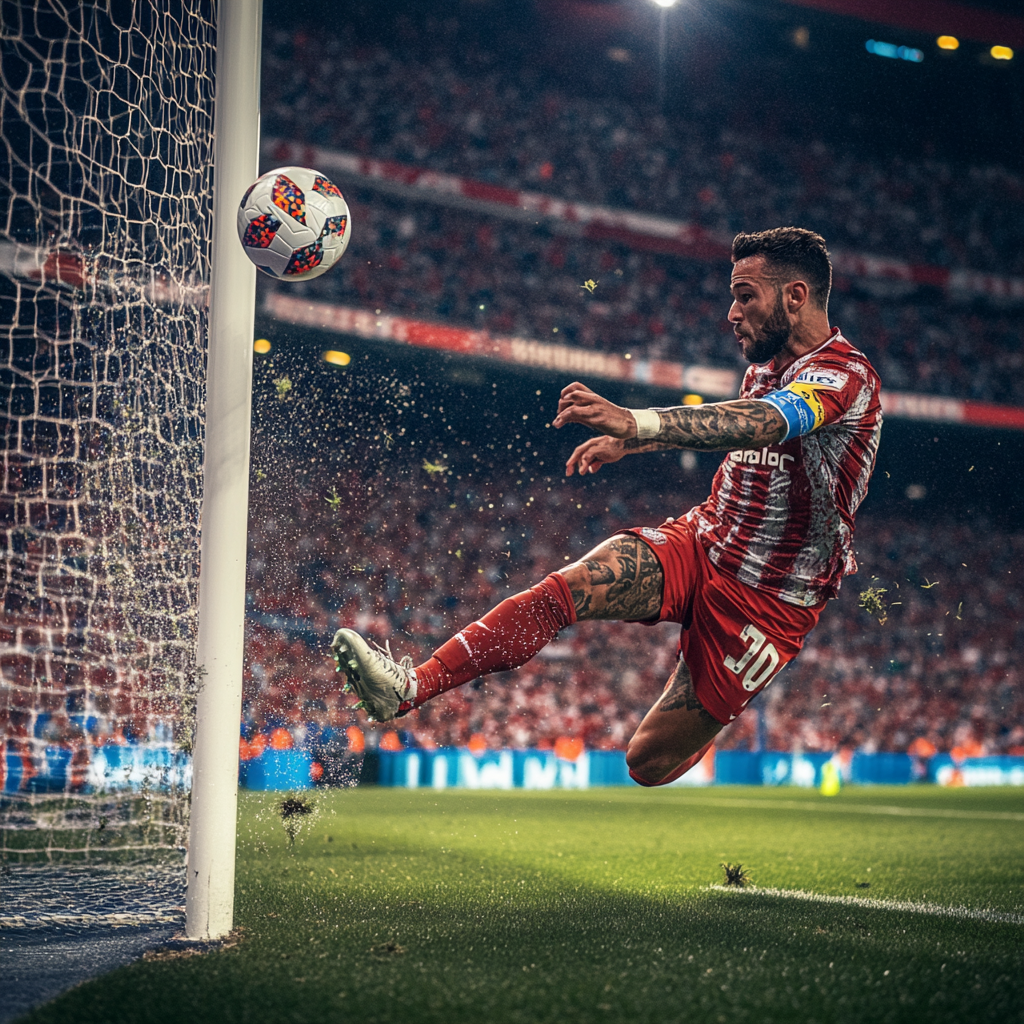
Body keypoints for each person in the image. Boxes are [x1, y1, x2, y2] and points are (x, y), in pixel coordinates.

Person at [332, 227, 882, 786]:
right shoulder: (763, 368)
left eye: (746, 296)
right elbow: (735, 428)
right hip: (703, 540)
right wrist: (635, 443)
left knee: (646, 764)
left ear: (795, 296)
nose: (731, 313)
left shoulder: (846, 376)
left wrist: (633, 421)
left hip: (769, 598)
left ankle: (713, 707)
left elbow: (763, 422)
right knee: (564, 590)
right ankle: (410, 687)